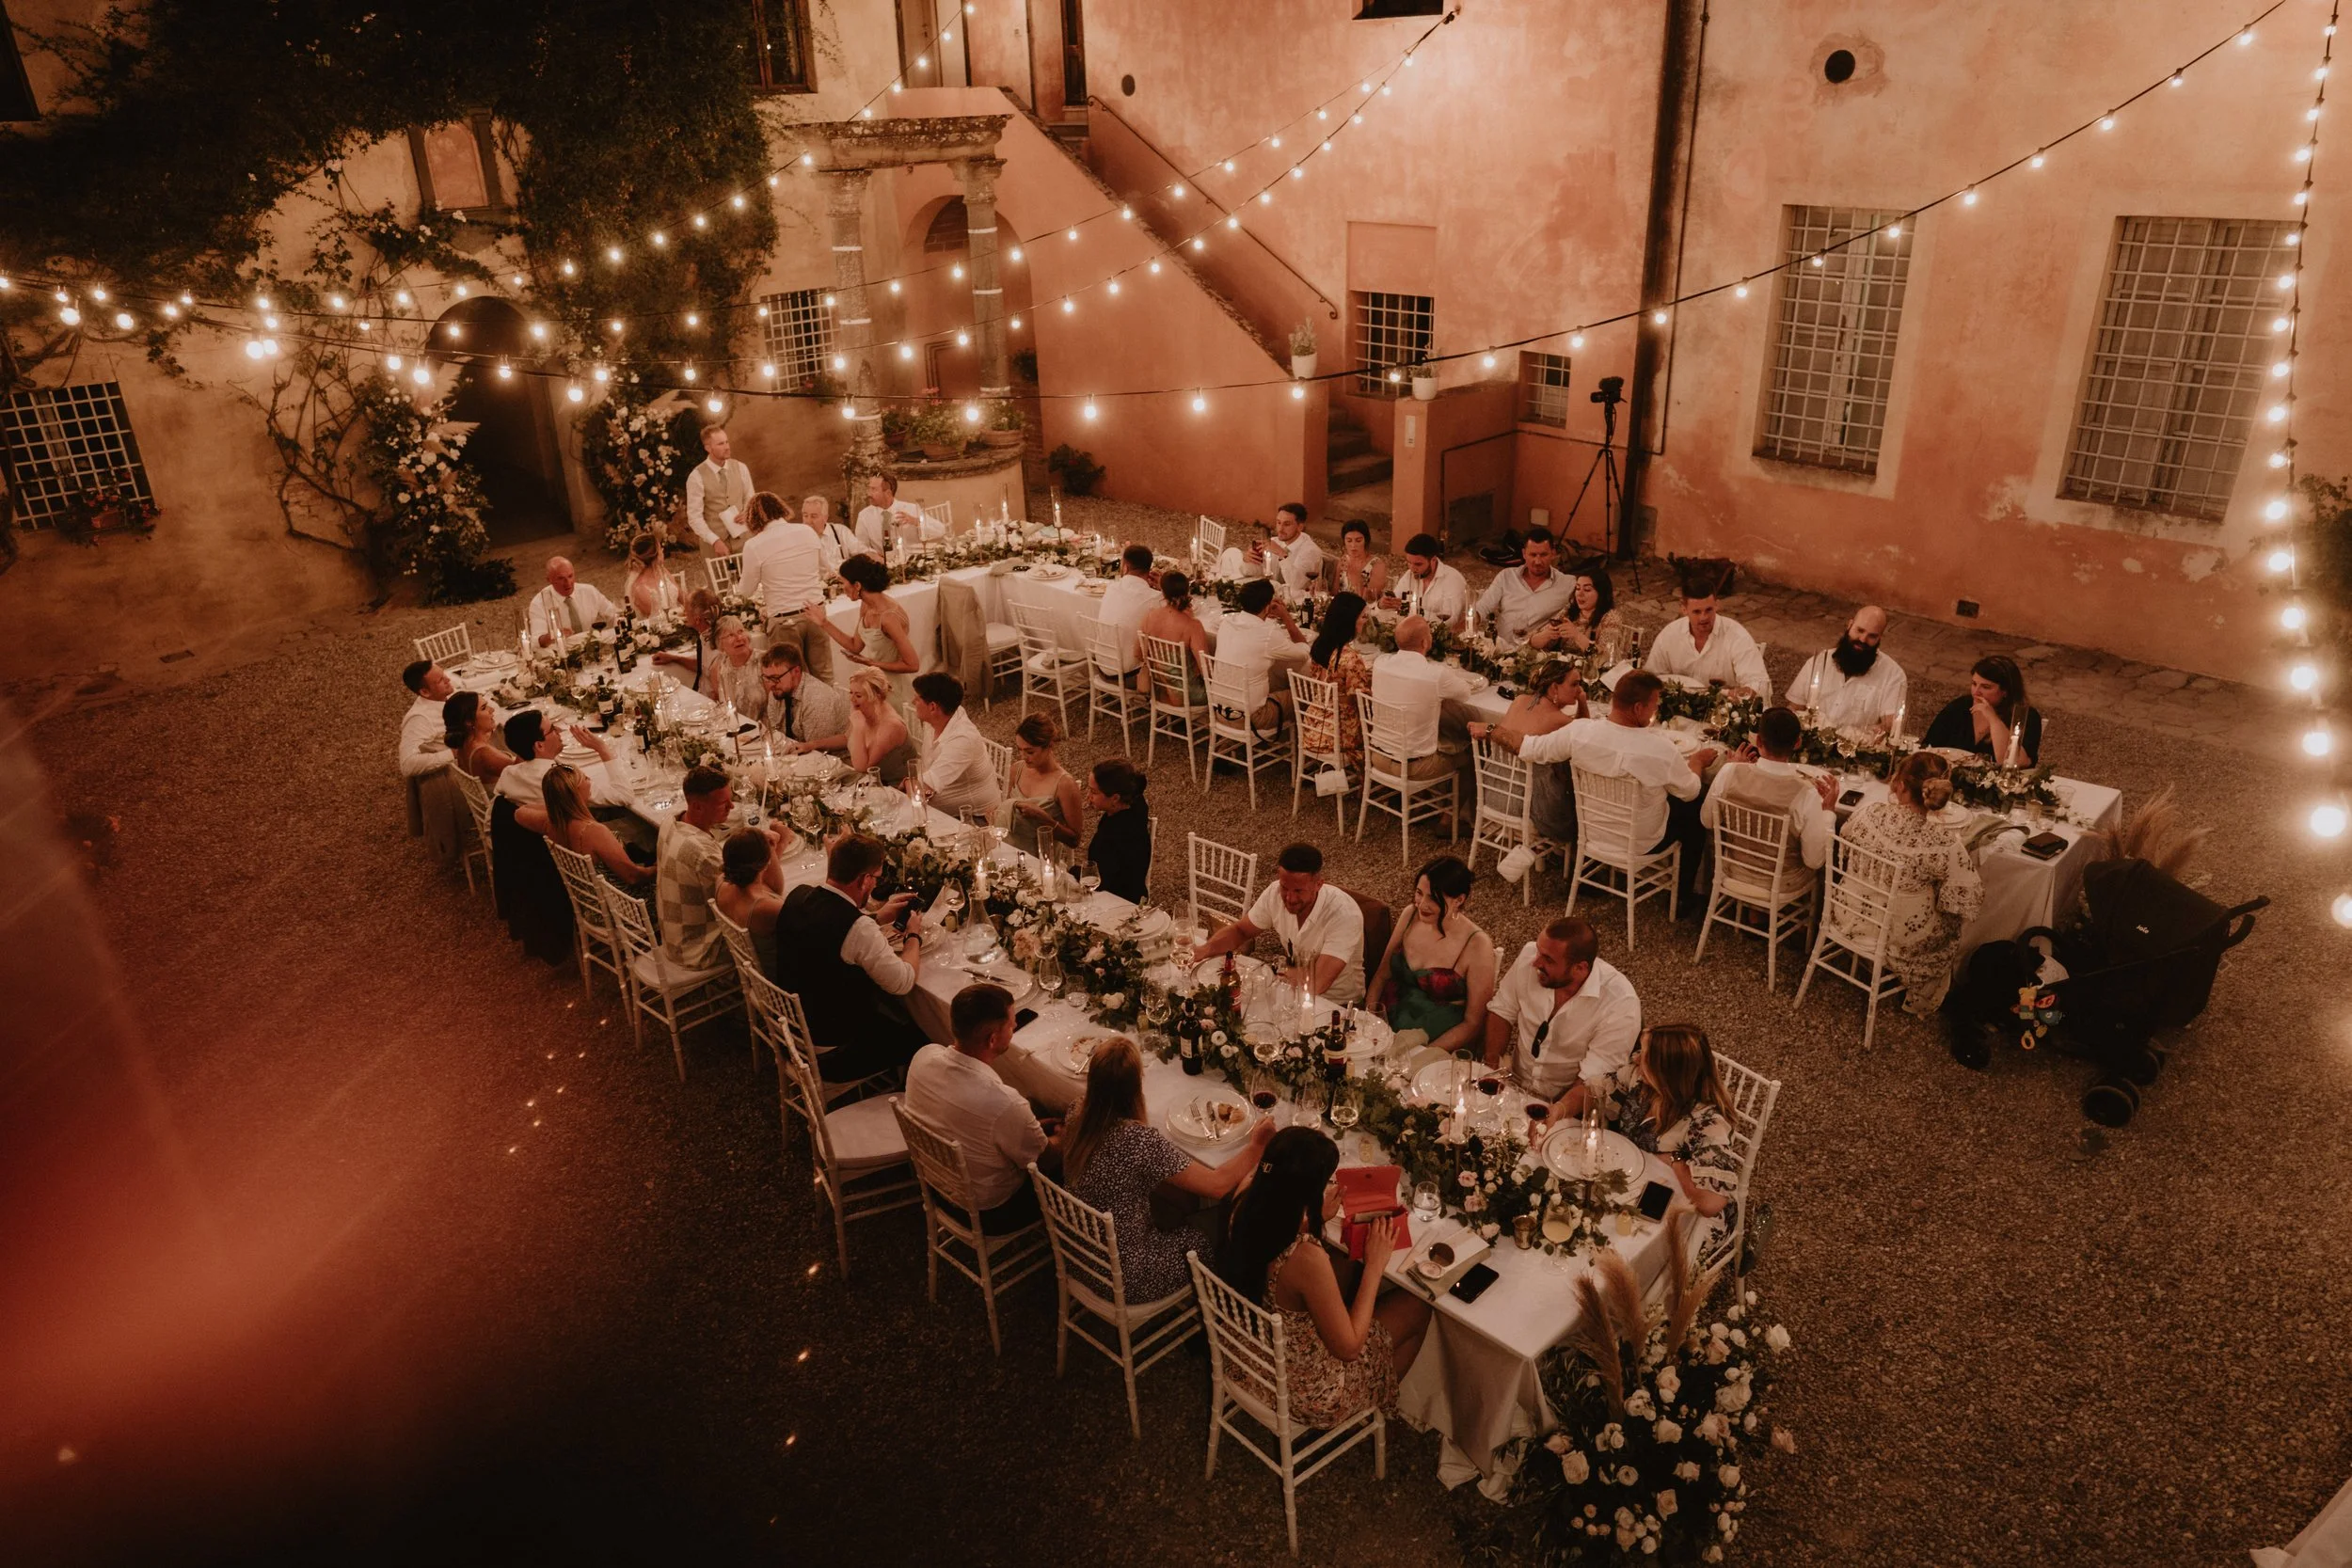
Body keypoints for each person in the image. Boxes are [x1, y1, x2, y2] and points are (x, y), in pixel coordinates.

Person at [1216, 1126, 1428, 1428]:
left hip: (1247, 1350)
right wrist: (1374, 1266)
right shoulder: (1305, 1257)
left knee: (1343, 1263)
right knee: (1418, 1307)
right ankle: (1370, 1402)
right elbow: (1349, 1348)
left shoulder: (1246, 1199)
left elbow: (1270, 1243)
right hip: (1304, 1392)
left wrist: (1313, 1219)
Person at [1473, 669, 1720, 909]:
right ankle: (1684, 897)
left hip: (1592, 831)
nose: (1656, 709)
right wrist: (1697, 763)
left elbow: (1527, 747)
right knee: (1695, 805)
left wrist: (1492, 729)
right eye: (1655, 704)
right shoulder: (1661, 749)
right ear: (1638, 708)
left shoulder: (1579, 732)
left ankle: (1588, 877)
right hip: (1641, 842)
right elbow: (1690, 791)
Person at [1062, 1037, 1272, 1300]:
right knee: (1232, 1215)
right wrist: (1258, 1146)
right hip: (1132, 1278)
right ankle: (1233, 1304)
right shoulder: (1138, 1141)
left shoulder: (1075, 1114)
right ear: (1137, 1083)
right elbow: (1218, 1185)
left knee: (1182, 1200)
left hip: (1081, 1258)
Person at [1839, 751, 1986, 1015]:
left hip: (1847, 912)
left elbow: (1845, 839)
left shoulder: (1869, 812)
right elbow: (1969, 899)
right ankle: (1922, 993)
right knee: (1950, 917)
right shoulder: (1945, 843)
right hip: (1897, 940)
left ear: (1901, 784)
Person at [775, 832, 930, 1082]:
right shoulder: (857, 928)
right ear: (865, 879)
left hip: (791, 1033)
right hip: (832, 1053)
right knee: (924, 1036)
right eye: (877, 878)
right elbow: (903, 982)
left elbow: (826, 928)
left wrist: (878, 916)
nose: (877, 884)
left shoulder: (797, 896)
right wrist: (913, 935)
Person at [905, 984, 1054, 1232]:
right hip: (993, 1213)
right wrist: (1072, 1130)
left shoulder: (924, 1056)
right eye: (1011, 1023)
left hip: (935, 1187)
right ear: (993, 1039)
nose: (1015, 1026)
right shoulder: (1003, 1102)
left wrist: (1033, 1127)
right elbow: (1046, 1160)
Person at [1483, 916, 1641, 1120]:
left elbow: (1593, 1081)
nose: (1536, 962)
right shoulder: (1530, 956)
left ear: (1580, 968)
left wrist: (1556, 1112)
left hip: (1570, 1109)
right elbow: (1502, 1011)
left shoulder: (1620, 1003)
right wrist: (1491, 1067)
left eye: (1548, 960)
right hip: (1514, 1088)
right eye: (1539, 951)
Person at [1598, 1025, 1740, 1233]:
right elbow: (1594, 1090)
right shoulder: (1639, 1079)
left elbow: (1711, 1203)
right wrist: (1560, 1109)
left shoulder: (1706, 1122)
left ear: (1667, 1073)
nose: (1636, 1058)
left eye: (1646, 1056)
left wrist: (1674, 1160)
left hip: (1689, 1213)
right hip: (1639, 1182)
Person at [1191, 842, 1367, 1005]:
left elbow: (1317, 983)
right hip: (1290, 988)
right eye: (1285, 887)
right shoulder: (1274, 893)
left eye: (1298, 891)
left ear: (1318, 884)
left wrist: (1272, 975)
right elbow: (1241, 931)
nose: (1289, 899)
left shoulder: (1344, 914)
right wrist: (1204, 950)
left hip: (1337, 1004)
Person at [1370, 855, 1497, 1055]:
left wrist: (1424, 1054)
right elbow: (1381, 976)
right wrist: (1370, 1023)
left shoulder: (1477, 945)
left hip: (1433, 1045)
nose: (1422, 905)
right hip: (1382, 1031)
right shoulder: (1410, 915)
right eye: (1419, 893)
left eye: (1434, 898)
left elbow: (1473, 1023)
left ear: (1459, 900)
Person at [1700, 705, 1838, 871]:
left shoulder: (1730, 771)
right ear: (1798, 743)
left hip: (1734, 869)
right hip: (1782, 882)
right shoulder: (1807, 793)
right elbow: (1814, 862)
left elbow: (1706, 820)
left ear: (1758, 740)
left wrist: (1733, 770)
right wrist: (1828, 811)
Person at [735, 490, 834, 682]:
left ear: (753, 518)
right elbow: (825, 568)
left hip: (784, 619)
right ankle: (830, 712)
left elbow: (745, 590)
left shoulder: (754, 545)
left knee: (792, 682)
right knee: (824, 677)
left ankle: (801, 714)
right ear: (780, 509)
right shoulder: (807, 531)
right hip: (816, 613)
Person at [655, 765, 746, 973]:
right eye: (723, 803)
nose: (731, 807)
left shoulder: (671, 822)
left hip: (673, 937)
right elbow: (743, 897)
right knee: (774, 928)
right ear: (696, 807)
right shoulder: (702, 855)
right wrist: (773, 851)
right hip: (698, 949)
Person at [1370, 615, 1483, 777]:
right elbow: (1465, 693)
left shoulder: (1380, 663)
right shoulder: (1435, 675)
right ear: (1424, 642)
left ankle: (1407, 798)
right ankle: (1458, 802)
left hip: (1378, 758)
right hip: (1414, 768)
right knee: (1472, 754)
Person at [489, 759, 577, 966]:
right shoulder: (586, 829)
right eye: (550, 731)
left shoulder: (509, 782)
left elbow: (519, 812)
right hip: (584, 888)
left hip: (520, 861)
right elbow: (621, 795)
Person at [518, 756, 653, 888]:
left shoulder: (552, 824)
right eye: (585, 778)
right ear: (575, 792)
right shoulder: (593, 831)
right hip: (627, 902)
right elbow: (633, 877)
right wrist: (659, 869)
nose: (590, 780)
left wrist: (559, 805)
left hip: (594, 898)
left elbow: (520, 812)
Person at [1492, 659, 1585, 845]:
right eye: (1574, 684)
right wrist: (1582, 701)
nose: (1579, 689)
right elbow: (1585, 732)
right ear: (1554, 688)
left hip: (1495, 792)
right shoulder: (1560, 720)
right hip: (1525, 804)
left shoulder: (1520, 700)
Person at [816, 555, 920, 708]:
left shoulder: (888, 617)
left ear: (857, 585)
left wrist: (871, 663)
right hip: (873, 684)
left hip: (891, 689)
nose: (842, 588)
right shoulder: (866, 606)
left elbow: (913, 665)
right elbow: (855, 646)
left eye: (843, 582)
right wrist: (823, 623)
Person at [1786, 605, 1906, 734]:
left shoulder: (1893, 675)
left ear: (1880, 638)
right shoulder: (1819, 662)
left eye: (1872, 636)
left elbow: (1890, 727)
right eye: (1859, 630)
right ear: (1849, 625)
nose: (1862, 640)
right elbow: (1794, 709)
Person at [1646, 570, 1769, 695]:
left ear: (1717, 605)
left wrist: (1740, 693)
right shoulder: (1669, 634)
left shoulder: (1737, 636)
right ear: (1684, 609)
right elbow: (1652, 677)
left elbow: (1760, 683)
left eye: (1709, 610)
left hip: (1723, 707)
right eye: (1697, 612)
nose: (1703, 618)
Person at [1214, 577, 1306, 736]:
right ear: (1267, 606)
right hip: (1252, 718)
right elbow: (1304, 653)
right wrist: (1285, 616)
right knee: (1304, 693)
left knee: (1272, 677)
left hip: (1220, 710)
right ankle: (1307, 746)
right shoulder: (1267, 635)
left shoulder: (1227, 623)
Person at [910, 673, 1003, 817]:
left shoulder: (963, 739)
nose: (912, 702)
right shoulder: (941, 717)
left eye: (916, 699)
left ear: (933, 707)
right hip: (938, 808)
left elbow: (921, 788)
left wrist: (908, 783)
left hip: (974, 818)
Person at [1921, 654, 2041, 766]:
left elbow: (2013, 762)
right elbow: (1928, 746)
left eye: (1986, 687)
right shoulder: (1961, 706)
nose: (1976, 692)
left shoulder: (2025, 716)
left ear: (2005, 692)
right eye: (1974, 684)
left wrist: (1993, 719)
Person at [1303, 591, 1374, 772]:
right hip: (1337, 733)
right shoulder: (1350, 658)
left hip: (1312, 724)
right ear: (1350, 620)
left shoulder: (1320, 645)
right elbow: (1362, 702)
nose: (1365, 621)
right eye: (1363, 617)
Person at [1472, 526, 1574, 648]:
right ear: (1524, 554)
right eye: (1533, 555)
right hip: (1499, 648)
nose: (1537, 561)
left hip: (1531, 655)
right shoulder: (1507, 576)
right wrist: (1472, 620)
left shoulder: (1567, 584)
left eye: (1543, 555)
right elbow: (1484, 606)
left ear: (1553, 554)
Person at [496, 709, 620, 807]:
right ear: (539, 745)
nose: (560, 731)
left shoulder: (507, 774)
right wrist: (602, 749)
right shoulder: (564, 779)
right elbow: (622, 796)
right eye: (553, 729)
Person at [1004, 713, 1083, 856]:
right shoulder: (1017, 769)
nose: (1023, 757)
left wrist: (1044, 820)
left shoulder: (1065, 784)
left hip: (1041, 859)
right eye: (1019, 749)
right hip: (1009, 851)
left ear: (1049, 746)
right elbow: (1007, 812)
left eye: (1030, 751)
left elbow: (1074, 840)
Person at [758, 643, 851, 756]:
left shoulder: (817, 699)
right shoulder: (777, 690)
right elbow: (777, 734)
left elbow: (816, 753)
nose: (770, 684)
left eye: (775, 678)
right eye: (766, 678)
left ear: (796, 672)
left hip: (835, 762)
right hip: (796, 756)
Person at [1136, 569, 1214, 701]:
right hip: (1189, 696)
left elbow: (1138, 653)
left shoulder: (1150, 616)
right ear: (1187, 591)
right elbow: (1207, 671)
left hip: (1159, 691)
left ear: (1162, 592)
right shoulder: (1193, 625)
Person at [715, 829, 785, 973]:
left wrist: (768, 848)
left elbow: (775, 888)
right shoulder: (766, 907)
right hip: (778, 979)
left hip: (753, 971)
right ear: (765, 863)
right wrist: (773, 848)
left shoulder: (721, 883)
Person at [1527, 568, 1629, 664]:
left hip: (1590, 673)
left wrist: (1577, 636)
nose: (1579, 594)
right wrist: (1547, 635)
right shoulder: (1570, 610)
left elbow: (1606, 658)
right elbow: (1531, 644)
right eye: (1577, 588)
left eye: (1587, 590)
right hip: (1564, 667)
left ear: (1601, 593)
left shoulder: (1611, 617)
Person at [1085, 758, 1152, 903]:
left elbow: (1100, 880)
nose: (1088, 797)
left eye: (1093, 792)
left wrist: (1072, 871)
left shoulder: (1116, 834)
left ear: (1115, 798)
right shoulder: (1136, 803)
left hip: (1118, 901)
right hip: (1136, 891)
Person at [683, 422, 755, 553]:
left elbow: (750, 497)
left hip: (744, 541)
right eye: (721, 444)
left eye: (727, 442)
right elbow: (694, 517)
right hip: (714, 545)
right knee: (718, 574)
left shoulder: (741, 468)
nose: (727, 447)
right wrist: (714, 541)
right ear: (708, 448)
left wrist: (747, 512)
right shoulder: (696, 477)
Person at [1097, 543, 1162, 678]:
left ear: (1125, 565)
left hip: (1101, 663)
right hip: (1128, 672)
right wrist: (1162, 587)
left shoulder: (1111, 588)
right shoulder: (1155, 598)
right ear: (1150, 569)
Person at [527, 555, 621, 647]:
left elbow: (614, 614)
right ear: (549, 580)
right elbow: (536, 642)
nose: (568, 583)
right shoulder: (539, 603)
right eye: (561, 578)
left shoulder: (589, 591)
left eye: (570, 576)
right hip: (561, 650)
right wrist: (553, 635)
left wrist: (620, 621)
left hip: (591, 645)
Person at [1383, 531, 1469, 632]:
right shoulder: (1410, 575)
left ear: (1433, 560)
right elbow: (1394, 603)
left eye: (1418, 564)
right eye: (1409, 563)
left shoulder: (1452, 580)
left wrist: (1414, 611)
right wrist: (1384, 604)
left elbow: (1449, 622)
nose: (1412, 569)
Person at [846, 666, 918, 784]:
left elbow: (861, 768)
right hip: (870, 783)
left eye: (858, 695)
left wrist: (858, 727)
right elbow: (846, 738)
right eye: (851, 692)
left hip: (896, 789)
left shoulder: (891, 726)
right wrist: (812, 745)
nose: (851, 699)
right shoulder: (863, 711)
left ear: (877, 697)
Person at [652, 589, 722, 696]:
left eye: (687, 611)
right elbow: (701, 665)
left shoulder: (715, 641)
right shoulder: (706, 636)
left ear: (697, 619)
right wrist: (674, 658)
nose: (684, 614)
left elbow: (718, 686)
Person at [1248, 501, 1324, 599]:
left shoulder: (1311, 551)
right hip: (1274, 597)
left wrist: (1282, 554)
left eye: (1287, 524)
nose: (1280, 529)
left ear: (1300, 527)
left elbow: (1295, 584)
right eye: (1278, 522)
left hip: (1299, 603)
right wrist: (1249, 559)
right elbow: (1255, 572)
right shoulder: (1274, 542)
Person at [398, 658, 457, 778]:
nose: (448, 679)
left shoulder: (443, 695)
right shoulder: (420, 719)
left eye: (443, 674)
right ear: (425, 692)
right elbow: (408, 765)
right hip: (457, 772)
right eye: (441, 680)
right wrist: (454, 753)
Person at [444, 691, 513, 786]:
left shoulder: (465, 743)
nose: (492, 710)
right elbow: (526, 774)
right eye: (484, 708)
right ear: (469, 722)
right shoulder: (484, 753)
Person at [853, 471, 925, 556]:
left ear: (888, 493)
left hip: (912, 562)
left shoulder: (911, 509)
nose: (869, 494)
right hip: (881, 565)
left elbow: (940, 530)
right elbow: (861, 546)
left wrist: (916, 521)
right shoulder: (864, 515)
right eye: (869, 489)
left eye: (874, 489)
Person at [708, 616, 767, 719]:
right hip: (735, 729)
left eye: (740, 632)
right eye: (731, 635)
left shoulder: (764, 661)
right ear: (720, 643)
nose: (739, 638)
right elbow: (720, 704)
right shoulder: (718, 668)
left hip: (765, 729)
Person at [622, 532, 683, 620]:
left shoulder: (662, 571)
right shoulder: (640, 588)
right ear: (656, 556)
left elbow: (682, 597)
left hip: (680, 620)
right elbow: (659, 619)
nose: (662, 550)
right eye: (659, 548)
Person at [1329, 517, 1390, 602]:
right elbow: (1334, 593)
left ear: (1366, 541)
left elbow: (1371, 598)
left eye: (1358, 541)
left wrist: (1352, 572)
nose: (1353, 545)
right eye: (1349, 541)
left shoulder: (1377, 565)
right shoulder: (1343, 560)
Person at [806, 492, 865, 577]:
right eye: (805, 516)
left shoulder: (840, 531)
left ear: (825, 517)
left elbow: (862, 551)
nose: (808, 521)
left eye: (813, 516)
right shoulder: (799, 540)